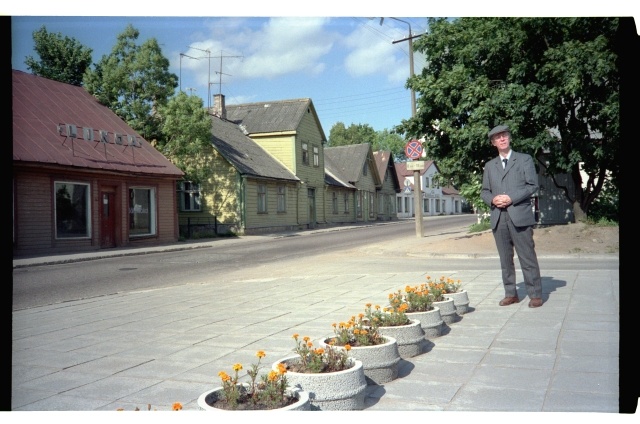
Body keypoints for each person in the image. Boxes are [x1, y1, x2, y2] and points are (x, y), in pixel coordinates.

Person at [480, 124, 543, 308]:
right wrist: (493, 199)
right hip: (499, 218)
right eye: (497, 137)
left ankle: (535, 294)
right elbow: (484, 192)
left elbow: (532, 186)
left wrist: (511, 198)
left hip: (520, 216)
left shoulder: (524, 160)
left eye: (504, 135)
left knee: (527, 256)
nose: (501, 139)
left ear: (509, 137)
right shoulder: (490, 166)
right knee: (505, 259)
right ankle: (511, 293)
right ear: (493, 143)